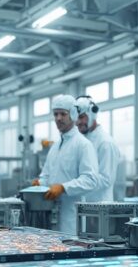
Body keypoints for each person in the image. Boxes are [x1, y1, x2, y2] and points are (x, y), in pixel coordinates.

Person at [33, 95, 99, 234]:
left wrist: (64, 188)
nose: (58, 118)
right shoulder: (55, 147)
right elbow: (46, 176)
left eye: (63, 114)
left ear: (73, 115)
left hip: (72, 220)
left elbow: (91, 180)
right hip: (50, 217)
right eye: (55, 114)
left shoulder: (83, 145)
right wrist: (39, 183)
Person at [75, 95, 121, 202]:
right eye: (76, 118)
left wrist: (76, 182)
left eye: (81, 117)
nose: (78, 122)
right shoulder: (81, 140)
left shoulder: (105, 143)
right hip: (82, 206)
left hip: (99, 209)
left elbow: (106, 179)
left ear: (92, 114)